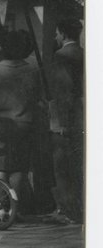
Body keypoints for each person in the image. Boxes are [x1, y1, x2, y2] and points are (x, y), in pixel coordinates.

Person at [0, 29, 43, 212]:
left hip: (0, 125)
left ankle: (0, 210)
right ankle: (14, 211)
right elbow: (39, 97)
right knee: (19, 168)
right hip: (25, 124)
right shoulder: (33, 69)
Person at [47, 18, 84, 224]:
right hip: (83, 117)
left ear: (62, 32)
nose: (55, 37)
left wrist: (62, 122)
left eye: (56, 33)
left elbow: (64, 91)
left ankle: (70, 211)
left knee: (63, 168)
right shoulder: (86, 53)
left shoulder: (61, 56)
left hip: (67, 119)